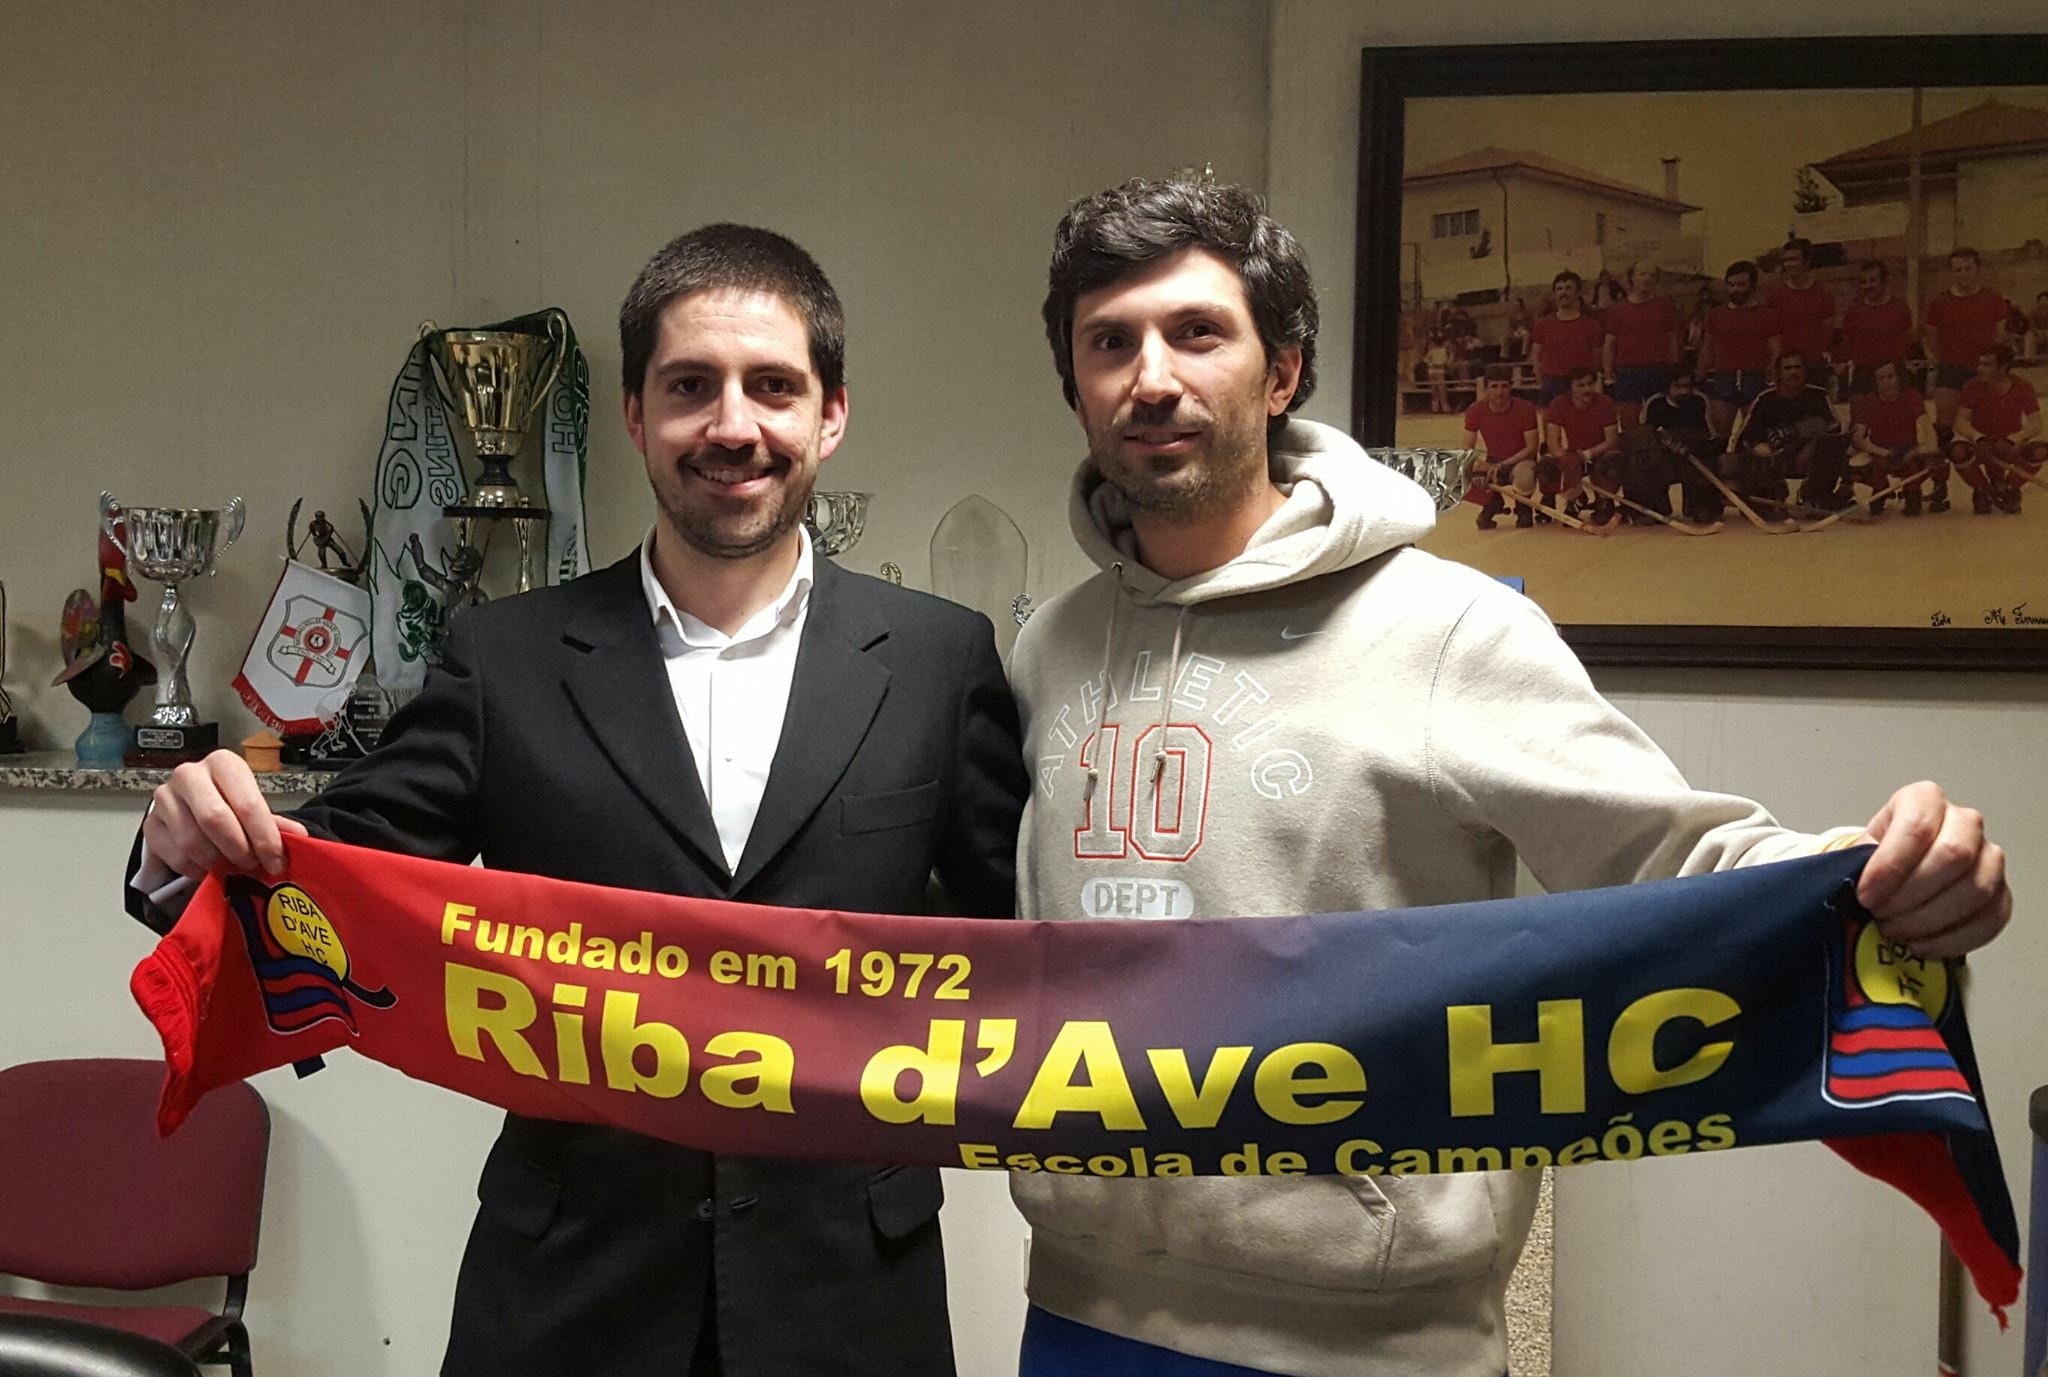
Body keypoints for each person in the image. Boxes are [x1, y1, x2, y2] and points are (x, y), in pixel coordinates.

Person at [1010, 176, 2010, 1377]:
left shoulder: (1446, 630)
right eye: (1109, 343)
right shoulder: (1050, 645)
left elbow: (1670, 856)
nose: (1151, 378)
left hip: (1367, 1340)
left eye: (1196, 332)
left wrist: (1876, 877)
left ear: (1280, 373)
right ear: (1073, 383)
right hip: (1075, 1309)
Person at [123, 224, 1030, 1377]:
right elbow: (324, 876)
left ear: (831, 415)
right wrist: (184, 841)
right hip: (568, 1296)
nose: (733, 425)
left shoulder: (943, 659)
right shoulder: (503, 659)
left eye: (772, 387)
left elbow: (1032, 946)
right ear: (636, 416)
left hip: (850, 1296)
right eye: (690, 387)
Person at [1727, 350, 1851, 516]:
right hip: (1774, 458)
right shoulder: (1765, 399)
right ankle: (1771, 495)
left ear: (1805, 371)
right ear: (1778, 373)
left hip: (1807, 455)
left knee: (1830, 443)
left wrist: (1807, 433)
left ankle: (1815, 495)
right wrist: (1761, 447)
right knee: (1760, 451)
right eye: (1787, 368)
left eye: (1797, 367)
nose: (1793, 372)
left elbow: (1835, 429)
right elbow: (1746, 436)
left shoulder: (1818, 396)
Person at [1950, 342, 2046, 515]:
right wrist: (1979, 438)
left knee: (2040, 451)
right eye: (1980, 364)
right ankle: (1983, 490)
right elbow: (1961, 421)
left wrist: (2014, 439)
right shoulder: (1972, 386)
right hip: (1982, 445)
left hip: (2010, 445)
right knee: (1957, 452)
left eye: (1986, 365)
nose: (1979, 369)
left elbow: (2036, 423)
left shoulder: (2022, 386)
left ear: (2003, 367)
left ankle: (2009, 489)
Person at [1923, 247, 2010, 433]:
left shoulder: (1993, 299)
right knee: (1944, 423)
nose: (1964, 274)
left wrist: (1990, 364)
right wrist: (1945, 358)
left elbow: (1999, 336)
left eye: (1968, 268)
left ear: (1977, 269)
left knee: (1987, 424)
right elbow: (1931, 337)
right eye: (1958, 270)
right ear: (1951, 272)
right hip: (1950, 369)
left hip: (1983, 369)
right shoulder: (1938, 303)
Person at [1698, 260, 1782, 439]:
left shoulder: (1766, 315)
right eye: (1731, 285)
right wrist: (1699, 379)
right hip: (1724, 378)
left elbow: (1776, 350)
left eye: (1741, 285)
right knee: (1719, 437)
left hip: (1755, 377)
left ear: (1753, 285)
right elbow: (1707, 349)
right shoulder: (1716, 315)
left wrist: (1776, 378)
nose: (1735, 289)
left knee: (1755, 435)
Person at [1849, 359, 1939, 516]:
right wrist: (1882, 452)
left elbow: (1924, 424)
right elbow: (1858, 437)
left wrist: (1925, 448)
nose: (1886, 382)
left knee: (1927, 461)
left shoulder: (1912, 396)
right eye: (1881, 378)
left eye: (1890, 377)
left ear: (1899, 377)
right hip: (1880, 451)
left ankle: (1912, 492)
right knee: (1859, 468)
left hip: (1908, 449)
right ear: (1875, 382)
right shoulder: (1869, 401)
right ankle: (1880, 489)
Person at [1461, 363, 1542, 529]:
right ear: (1486, 389)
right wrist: (1479, 466)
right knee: (1458, 474)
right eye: (1494, 387)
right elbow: (1467, 448)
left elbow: (1531, 447)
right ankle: (1492, 502)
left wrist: (1501, 465)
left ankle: (1523, 506)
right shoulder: (1475, 410)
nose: (1500, 392)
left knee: (1525, 474)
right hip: (1493, 461)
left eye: (1504, 386)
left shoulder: (1525, 409)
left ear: (1511, 387)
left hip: (1520, 461)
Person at [1601, 260, 1678, 430]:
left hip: (1658, 371)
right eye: (1642, 274)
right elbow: (1609, 344)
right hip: (1628, 373)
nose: (1647, 278)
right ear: (1632, 278)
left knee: (1662, 423)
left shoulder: (1664, 307)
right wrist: (1608, 376)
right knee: (1630, 424)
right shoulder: (1618, 310)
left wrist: (1674, 369)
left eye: (1652, 275)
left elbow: (1671, 340)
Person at [1542, 365, 1621, 520]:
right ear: (1569, 389)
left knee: (1612, 462)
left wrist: (1588, 454)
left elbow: (1611, 440)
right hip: (1574, 453)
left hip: (1600, 453)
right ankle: (1575, 498)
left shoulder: (1605, 403)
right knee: (1553, 465)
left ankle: (1604, 499)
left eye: (1590, 384)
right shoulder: (1558, 404)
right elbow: (1553, 442)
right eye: (1580, 385)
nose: (1587, 389)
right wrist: (1565, 458)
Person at [1767, 238, 1836, 395]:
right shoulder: (1776, 297)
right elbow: (1773, 336)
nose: (1788, 264)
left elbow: (1827, 332)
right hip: (1786, 367)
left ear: (1806, 262)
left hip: (1814, 365)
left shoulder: (1823, 295)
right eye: (1786, 260)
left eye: (1793, 259)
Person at [1837, 260, 1915, 398]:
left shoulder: (1900, 308)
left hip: (1893, 373)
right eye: (1863, 282)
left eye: (1872, 280)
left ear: (1884, 281)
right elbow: (1847, 341)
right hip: (1863, 374)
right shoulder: (1854, 310)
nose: (1868, 286)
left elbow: (1907, 340)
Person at [1528, 270, 1603, 406]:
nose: (1563, 292)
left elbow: (1596, 358)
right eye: (1559, 289)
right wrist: (1542, 381)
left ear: (1578, 292)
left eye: (1568, 288)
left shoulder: (1591, 325)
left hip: (1581, 385)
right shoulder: (1543, 324)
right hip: (1552, 383)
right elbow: (1537, 356)